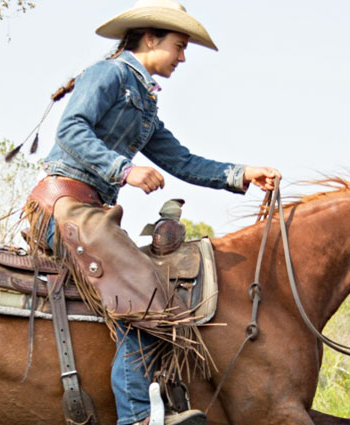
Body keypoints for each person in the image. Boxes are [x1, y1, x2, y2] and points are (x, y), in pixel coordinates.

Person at [23, 1, 280, 424]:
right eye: (179, 46)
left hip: (90, 211)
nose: (182, 58)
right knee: (146, 294)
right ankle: (139, 417)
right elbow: (71, 130)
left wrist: (242, 173)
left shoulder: (142, 103)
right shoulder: (108, 75)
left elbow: (181, 160)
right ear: (149, 39)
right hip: (63, 206)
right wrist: (123, 170)